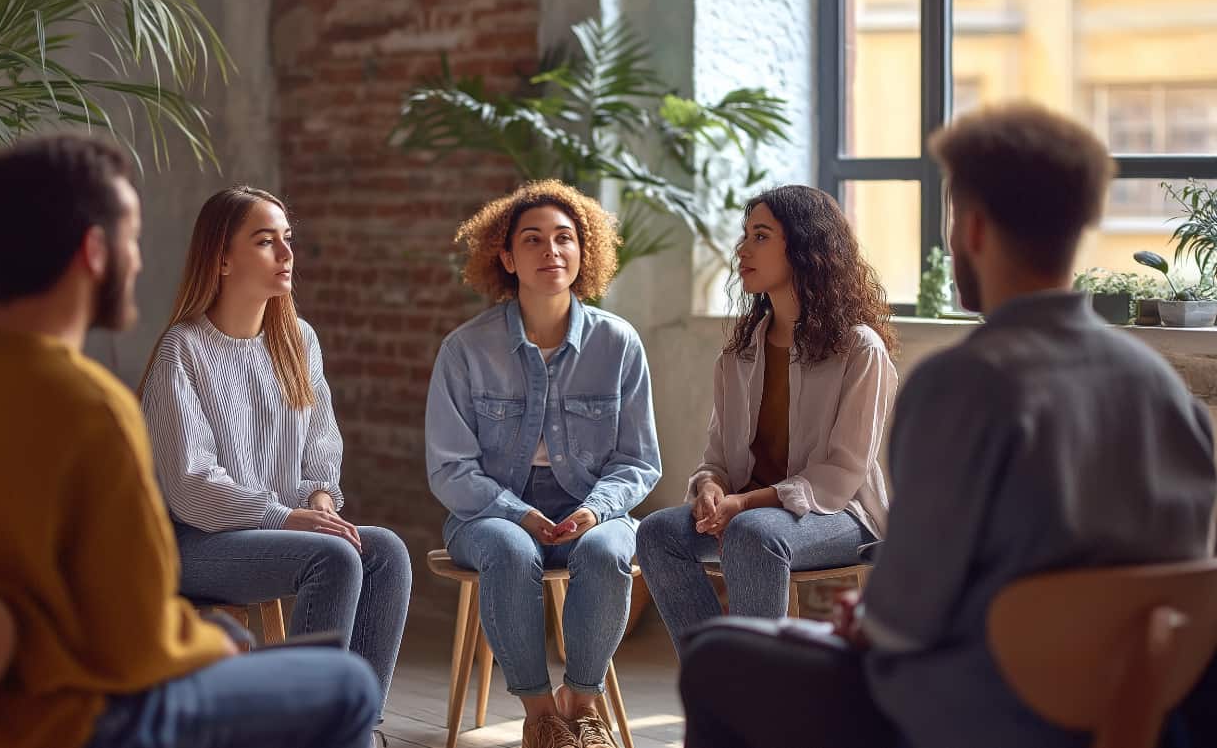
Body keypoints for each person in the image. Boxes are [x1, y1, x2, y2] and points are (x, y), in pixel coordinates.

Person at [677, 103, 1217, 748]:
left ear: (977, 229)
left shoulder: (959, 385)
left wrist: (877, 616)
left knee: (717, 658)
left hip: (976, 708)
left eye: (953, 216)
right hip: (1141, 710)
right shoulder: (1163, 388)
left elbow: (908, 617)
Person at [0, 137, 379, 748]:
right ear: (94, 252)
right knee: (345, 685)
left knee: (254, 645)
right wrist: (221, 650)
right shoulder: (91, 409)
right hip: (72, 723)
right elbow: (141, 638)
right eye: (132, 239)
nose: (138, 260)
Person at [138, 185, 412, 732]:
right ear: (220, 257)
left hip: (283, 528)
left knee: (384, 551)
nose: (286, 255)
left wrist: (319, 499)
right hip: (194, 542)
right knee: (331, 559)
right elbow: (191, 486)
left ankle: (355, 731)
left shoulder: (297, 339)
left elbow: (321, 445)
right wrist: (286, 517)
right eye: (266, 242)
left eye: (287, 240)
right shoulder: (182, 349)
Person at [425, 180, 661, 748]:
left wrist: (597, 511)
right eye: (532, 240)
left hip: (591, 509)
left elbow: (639, 461)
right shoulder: (465, 348)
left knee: (608, 555)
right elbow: (449, 469)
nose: (550, 251)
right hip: (488, 515)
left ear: (584, 252)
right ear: (506, 257)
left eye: (564, 238)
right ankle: (539, 717)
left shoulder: (619, 343)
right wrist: (518, 513)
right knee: (510, 551)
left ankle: (579, 706)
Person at [637, 185, 896, 653]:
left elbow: (841, 473)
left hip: (839, 514)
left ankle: (760, 698)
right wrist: (712, 489)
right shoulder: (739, 352)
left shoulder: (860, 349)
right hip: (749, 516)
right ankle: (718, 681)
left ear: (803, 247)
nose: (742, 249)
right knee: (656, 532)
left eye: (760, 236)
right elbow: (715, 457)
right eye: (745, 235)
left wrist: (745, 505)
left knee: (754, 533)